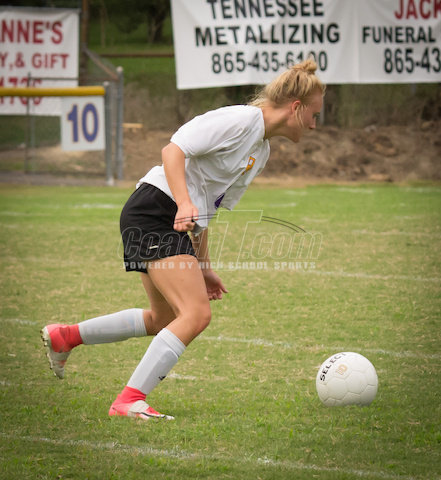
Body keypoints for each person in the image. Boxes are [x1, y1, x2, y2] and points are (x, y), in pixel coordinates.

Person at [41, 58, 325, 421]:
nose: (315, 125)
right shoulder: (240, 121)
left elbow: (206, 209)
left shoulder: (261, 151)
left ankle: (65, 337)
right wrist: (185, 201)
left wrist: (204, 267)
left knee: (162, 318)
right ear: (296, 107)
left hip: (166, 216)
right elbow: (173, 151)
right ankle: (129, 401)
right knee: (195, 314)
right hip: (154, 208)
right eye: (314, 114)